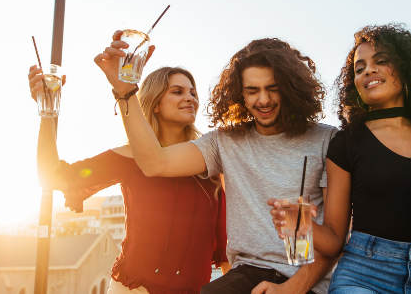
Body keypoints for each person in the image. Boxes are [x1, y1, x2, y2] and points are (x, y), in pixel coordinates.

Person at [94, 32, 338, 294]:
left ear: (291, 87)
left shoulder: (328, 140)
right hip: (245, 275)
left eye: (273, 89)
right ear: (240, 94)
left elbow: (336, 241)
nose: (263, 100)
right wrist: (125, 91)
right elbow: (155, 163)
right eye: (252, 91)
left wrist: (292, 287)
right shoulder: (225, 141)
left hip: (306, 278)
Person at [29, 65, 230, 294]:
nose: (190, 99)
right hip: (135, 289)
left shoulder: (210, 162)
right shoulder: (130, 157)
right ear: (155, 103)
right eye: (178, 92)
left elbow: (225, 243)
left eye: (192, 93)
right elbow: (49, 177)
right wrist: (47, 111)